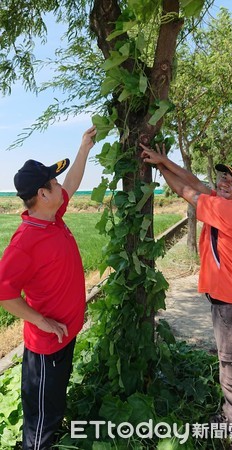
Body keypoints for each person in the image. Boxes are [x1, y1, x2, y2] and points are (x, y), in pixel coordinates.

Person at [140, 142, 232, 450]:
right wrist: (163, 161)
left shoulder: (229, 209)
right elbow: (195, 182)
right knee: (228, 370)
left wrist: (161, 167)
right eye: (225, 177)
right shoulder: (229, 202)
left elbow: (187, 192)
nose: (225, 182)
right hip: (229, 305)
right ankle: (230, 422)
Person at [0, 125, 96, 450]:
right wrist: (41, 321)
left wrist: (84, 146)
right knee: (40, 426)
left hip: (64, 337)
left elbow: (72, 182)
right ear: (41, 194)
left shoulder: (52, 217)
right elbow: (4, 292)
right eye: (53, 183)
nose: (60, 187)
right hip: (46, 350)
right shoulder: (25, 242)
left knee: (53, 408)